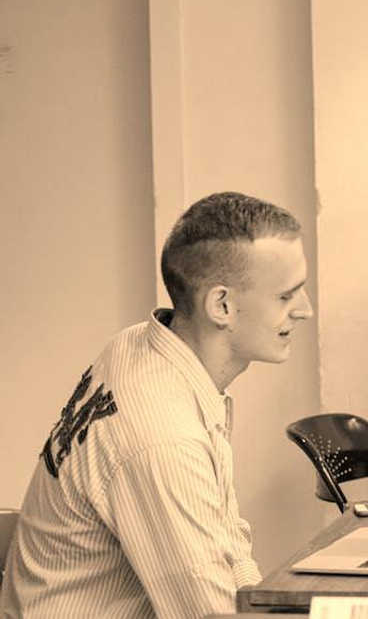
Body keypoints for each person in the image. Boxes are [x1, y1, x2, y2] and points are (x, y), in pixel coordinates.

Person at [1, 192, 314, 619]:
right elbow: (209, 615)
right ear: (221, 305)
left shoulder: (139, 344)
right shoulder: (162, 438)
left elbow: (226, 540)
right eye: (286, 296)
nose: (306, 310)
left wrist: (258, 599)